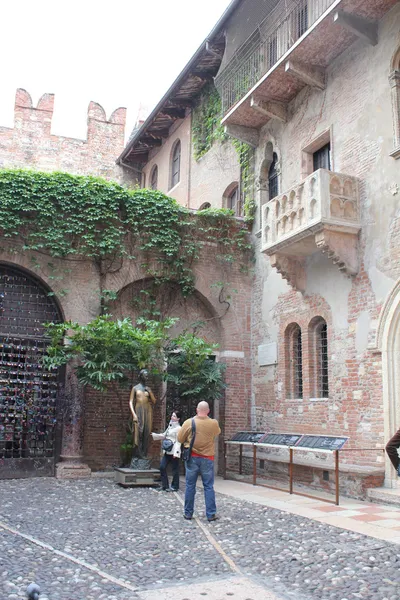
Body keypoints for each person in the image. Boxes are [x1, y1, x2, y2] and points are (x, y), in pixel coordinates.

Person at [178, 401, 221, 522]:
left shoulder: (189, 422)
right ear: (208, 411)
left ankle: (188, 513)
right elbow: (217, 433)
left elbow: (180, 438)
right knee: (208, 486)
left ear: (197, 410)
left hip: (192, 458)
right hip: (208, 458)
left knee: (190, 485)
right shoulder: (213, 423)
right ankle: (211, 514)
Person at [129, 369, 157, 458]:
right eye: (145, 375)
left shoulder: (148, 389)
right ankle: (138, 453)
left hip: (147, 411)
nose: (147, 377)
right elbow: (130, 402)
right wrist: (134, 414)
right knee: (139, 432)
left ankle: (144, 453)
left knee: (146, 431)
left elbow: (154, 401)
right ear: (141, 376)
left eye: (147, 375)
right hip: (138, 410)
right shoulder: (135, 388)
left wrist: (150, 392)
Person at [152, 411, 182, 491]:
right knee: (162, 467)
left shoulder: (179, 428)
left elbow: (178, 441)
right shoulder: (170, 426)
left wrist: (176, 452)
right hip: (167, 450)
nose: (172, 417)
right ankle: (165, 485)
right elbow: (164, 435)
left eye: (174, 416)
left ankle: (175, 486)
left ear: (178, 418)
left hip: (174, 451)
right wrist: (155, 435)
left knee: (175, 469)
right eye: (172, 415)